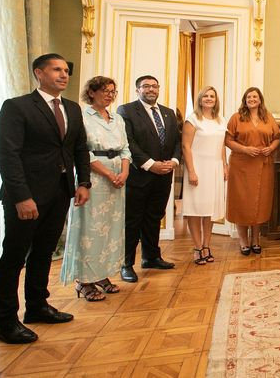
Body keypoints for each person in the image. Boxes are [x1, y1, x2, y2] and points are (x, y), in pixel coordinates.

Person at [0, 53, 90, 344]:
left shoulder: (72, 108)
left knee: (44, 252)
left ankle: (37, 306)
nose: (64, 75)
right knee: (14, 257)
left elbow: (79, 148)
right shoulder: (17, 107)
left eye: (66, 70)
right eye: (56, 69)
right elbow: (7, 155)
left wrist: (83, 182)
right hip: (26, 196)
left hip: (60, 192)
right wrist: (22, 197)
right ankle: (6, 322)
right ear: (39, 73)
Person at [60, 76, 130, 302]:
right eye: (105, 91)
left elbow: (125, 149)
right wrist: (108, 173)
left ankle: (101, 274)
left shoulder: (117, 118)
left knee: (110, 228)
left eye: (112, 91)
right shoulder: (81, 116)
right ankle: (84, 280)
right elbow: (82, 151)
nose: (110, 95)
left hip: (118, 178)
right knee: (90, 229)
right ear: (91, 92)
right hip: (93, 177)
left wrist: (124, 172)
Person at [117, 75, 181, 283]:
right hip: (139, 175)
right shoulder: (126, 111)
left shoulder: (168, 113)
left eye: (154, 86)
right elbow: (128, 142)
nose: (151, 89)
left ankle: (151, 257)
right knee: (132, 221)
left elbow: (177, 141)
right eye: (146, 86)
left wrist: (174, 161)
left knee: (155, 217)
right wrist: (150, 164)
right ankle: (126, 264)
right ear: (138, 90)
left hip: (164, 175)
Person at [225, 87, 280, 255]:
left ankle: (256, 239)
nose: (252, 99)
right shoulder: (236, 117)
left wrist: (271, 148)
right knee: (242, 202)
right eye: (249, 97)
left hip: (263, 166)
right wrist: (245, 149)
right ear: (245, 100)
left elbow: (277, 137)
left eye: (255, 96)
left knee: (259, 202)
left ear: (260, 99)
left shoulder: (268, 117)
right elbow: (228, 140)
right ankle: (243, 240)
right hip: (241, 166)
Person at [181, 86, 227, 265]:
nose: (209, 99)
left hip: (215, 168)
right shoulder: (192, 119)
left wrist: (224, 165)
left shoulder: (221, 120)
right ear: (200, 100)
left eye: (212, 96)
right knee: (195, 209)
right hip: (198, 167)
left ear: (216, 100)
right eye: (205, 96)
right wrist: (192, 171)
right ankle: (197, 247)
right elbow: (186, 146)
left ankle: (207, 245)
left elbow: (222, 146)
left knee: (210, 210)